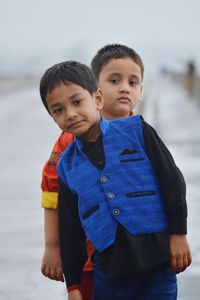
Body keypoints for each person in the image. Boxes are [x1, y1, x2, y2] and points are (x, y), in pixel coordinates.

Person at [39, 58, 192, 300]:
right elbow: (70, 229)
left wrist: (178, 235)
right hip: (110, 273)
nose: (70, 114)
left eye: (77, 102)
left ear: (97, 99)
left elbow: (172, 180)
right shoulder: (65, 166)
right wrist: (74, 285)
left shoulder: (138, 131)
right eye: (58, 110)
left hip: (158, 261)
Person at [40, 44, 144, 299]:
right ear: (95, 91)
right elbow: (53, 195)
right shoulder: (69, 142)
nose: (124, 88)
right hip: (90, 256)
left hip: (139, 252)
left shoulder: (140, 133)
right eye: (114, 80)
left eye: (133, 82)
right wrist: (53, 247)